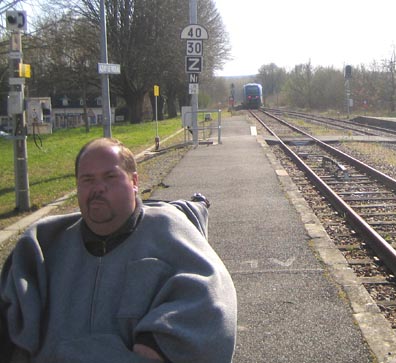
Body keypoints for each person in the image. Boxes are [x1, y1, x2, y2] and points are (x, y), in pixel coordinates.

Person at [0, 138, 237, 363]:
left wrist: (160, 341)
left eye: (110, 177)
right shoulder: (43, 244)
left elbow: (213, 292)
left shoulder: (170, 231)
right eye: (87, 179)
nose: (98, 188)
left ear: (134, 182)